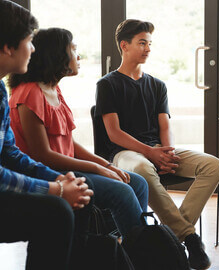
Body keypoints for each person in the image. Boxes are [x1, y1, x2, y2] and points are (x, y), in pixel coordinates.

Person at [95, 19, 219, 270]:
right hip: (125, 153)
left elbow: (165, 127)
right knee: (143, 170)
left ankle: (171, 235)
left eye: (150, 43)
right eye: (142, 43)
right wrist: (151, 153)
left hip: (156, 149)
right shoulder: (107, 85)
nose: (148, 48)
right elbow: (114, 133)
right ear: (124, 45)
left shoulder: (157, 85)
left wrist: (168, 153)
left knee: (213, 165)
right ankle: (189, 238)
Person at [8, 27, 148, 238]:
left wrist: (106, 164)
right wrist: (98, 169)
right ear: (56, 55)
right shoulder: (29, 93)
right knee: (123, 192)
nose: (79, 55)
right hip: (49, 173)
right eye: (73, 49)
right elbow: (42, 156)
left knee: (137, 182)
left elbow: (68, 143)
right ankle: (141, 254)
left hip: (67, 167)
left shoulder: (53, 89)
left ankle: (121, 248)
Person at [0, 1, 93, 269]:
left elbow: (11, 154)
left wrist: (58, 179)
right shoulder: (27, 92)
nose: (33, 49)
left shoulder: (0, 91)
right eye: (29, 41)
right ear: (8, 47)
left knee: (82, 194)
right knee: (57, 211)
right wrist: (56, 189)